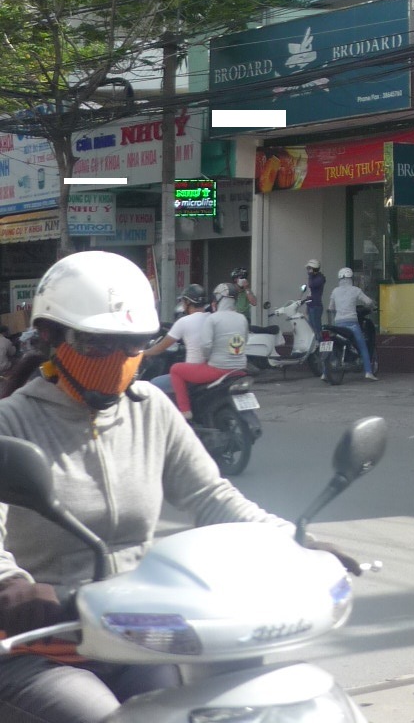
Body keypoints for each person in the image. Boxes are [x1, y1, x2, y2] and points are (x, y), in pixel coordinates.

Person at [0, 250, 291, 722]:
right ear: (52, 336)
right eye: (98, 345)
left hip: (134, 636)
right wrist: (16, 590)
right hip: (39, 647)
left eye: (133, 344)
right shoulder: (10, 424)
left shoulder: (150, 408)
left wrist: (294, 541)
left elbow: (211, 497)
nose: (118, 361)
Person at [142, 282, 211, 399]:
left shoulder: (184, 322)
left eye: (183, 301)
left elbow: (160, 348)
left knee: (154, 384)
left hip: (192, 374)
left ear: (188, 302)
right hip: (211, 371)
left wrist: (143, 353)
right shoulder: (212, 318)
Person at [326, 267, 377, 381]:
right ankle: (368, 372)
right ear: (351, 278)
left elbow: (331, 308)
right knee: (362, 346)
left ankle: (324, 373)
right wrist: (373, 306)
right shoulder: (355, 290)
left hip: (338, 324)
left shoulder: (335, 291)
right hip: (352, 323)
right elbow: (368, 301)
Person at [303, 258, 325, 338]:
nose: (308, 270)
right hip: (311, 305)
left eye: (309, 268)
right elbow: (310, 292)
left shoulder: (319, 278)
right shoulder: (313, 277)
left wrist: (311, 275)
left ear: (313, 268)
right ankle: (315, 342)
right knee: (311, 327)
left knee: (316, 327)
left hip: (316, 305)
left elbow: (312, 285)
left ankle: (320, 342)